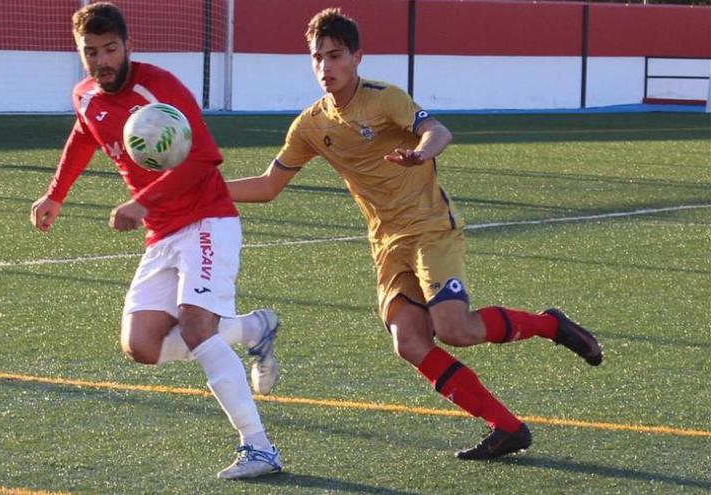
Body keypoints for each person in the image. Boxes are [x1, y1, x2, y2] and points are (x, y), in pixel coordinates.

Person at [226, 7, 603, 460]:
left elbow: (438, 130)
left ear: (357, 57)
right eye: (317, 57)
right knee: (408, 341)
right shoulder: (311, 125)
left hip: (429, 228)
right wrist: (203, 192)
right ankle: (506, 427)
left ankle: (550, 325)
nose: (326, 67)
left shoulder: (384, 99)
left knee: (455, 329)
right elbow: (268, 186)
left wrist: (421, 154)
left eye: (335, 55)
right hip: (386, 243)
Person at [29, 2, 282, 479]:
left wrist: (141, 201)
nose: (102, 60)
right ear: (80, 53)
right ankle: (251, 330)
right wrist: (55, 194)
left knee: (196, 326)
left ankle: (260, 447)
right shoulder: (85, 95)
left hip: (208, 221)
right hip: (162, 233)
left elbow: (204, 157)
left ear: (128, 46)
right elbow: (84, 135)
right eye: (92, 52)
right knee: (141, 346)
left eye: (110, 49)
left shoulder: (158, 88)